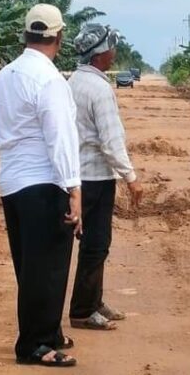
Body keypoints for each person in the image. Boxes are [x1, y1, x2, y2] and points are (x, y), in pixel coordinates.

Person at [0, 3, 82, 368]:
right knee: (48, 268)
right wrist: (74, 189)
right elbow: (60, 137)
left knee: (30, 266)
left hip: (13, 182)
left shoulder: (5, 75)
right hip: (44, 182)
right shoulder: (50, 80)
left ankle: (48, 331)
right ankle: (36, 344)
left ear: (25, 35)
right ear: (59, 37)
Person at [67, 24, 144, 331]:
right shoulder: (99, 90)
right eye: (111, 47)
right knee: (96, 244)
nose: (114, 51)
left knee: (92, 243)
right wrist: (131, 177)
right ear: (100, 53)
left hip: (77, 175)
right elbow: (111, 142)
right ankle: (83, 310)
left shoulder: (74, 82)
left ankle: (94, 301)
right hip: (96, 178)